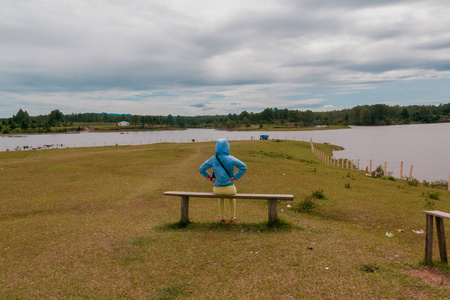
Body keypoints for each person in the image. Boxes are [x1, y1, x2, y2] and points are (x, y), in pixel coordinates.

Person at [199, 138, 247, 222]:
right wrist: (235, 177)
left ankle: (222, 217)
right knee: (232, 199)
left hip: (217, 189)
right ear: (227, 147)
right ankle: (232, 217)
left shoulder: (213, 159)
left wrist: (210, 177)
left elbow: (201, 169)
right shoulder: (231, 158)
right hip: (229, 188)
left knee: (221, 198)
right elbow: (243, 167)